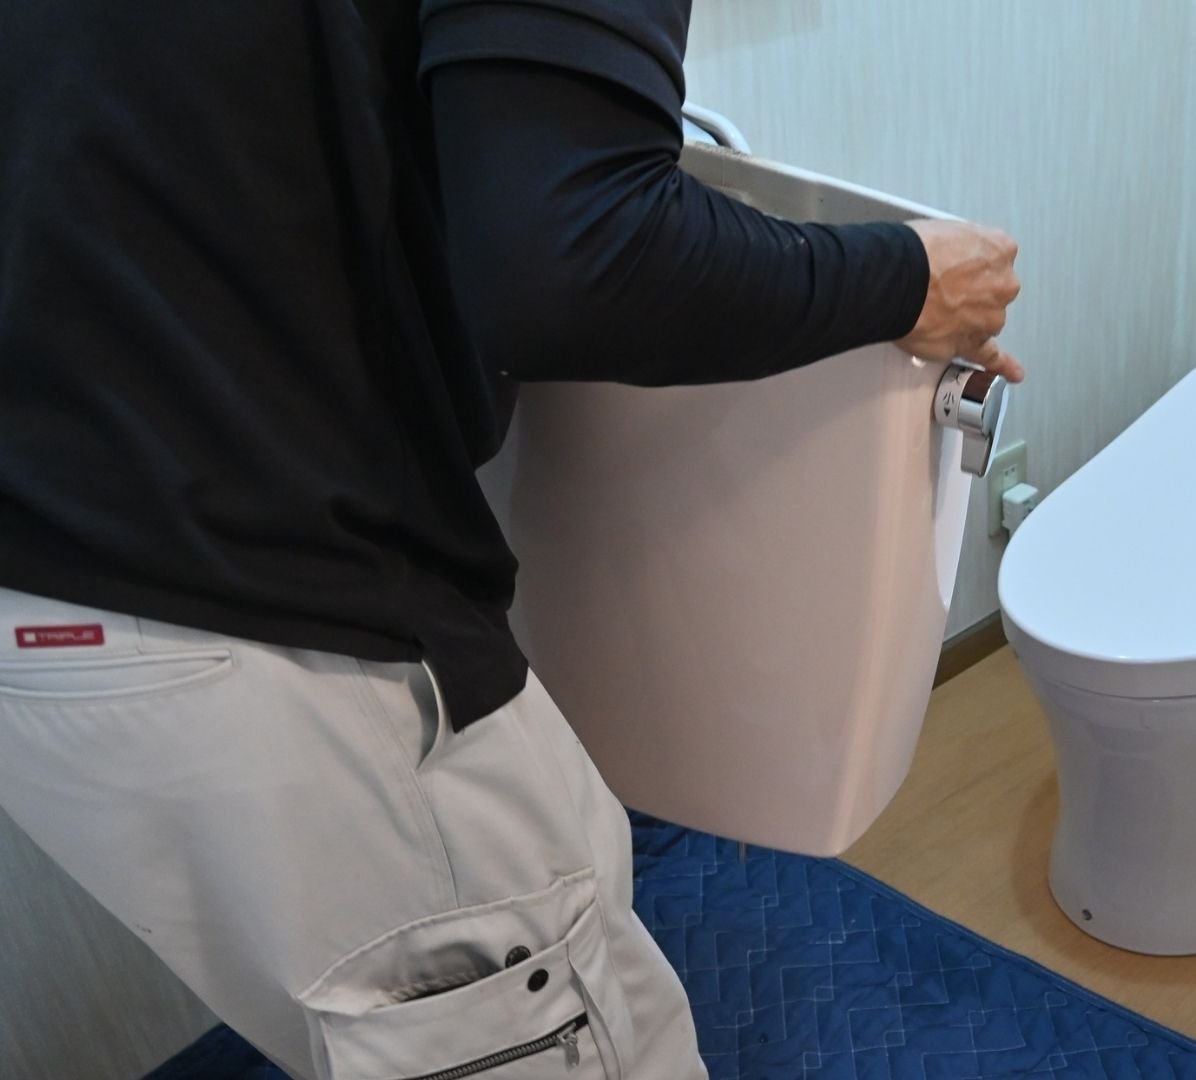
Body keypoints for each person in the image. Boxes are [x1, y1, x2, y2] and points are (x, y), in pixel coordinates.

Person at [0, 1, 1021, 1076]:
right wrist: (906, 279)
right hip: (268, 611)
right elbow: (576, 259)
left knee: (462, 974)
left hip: (47, 597)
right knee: (568, 1021)